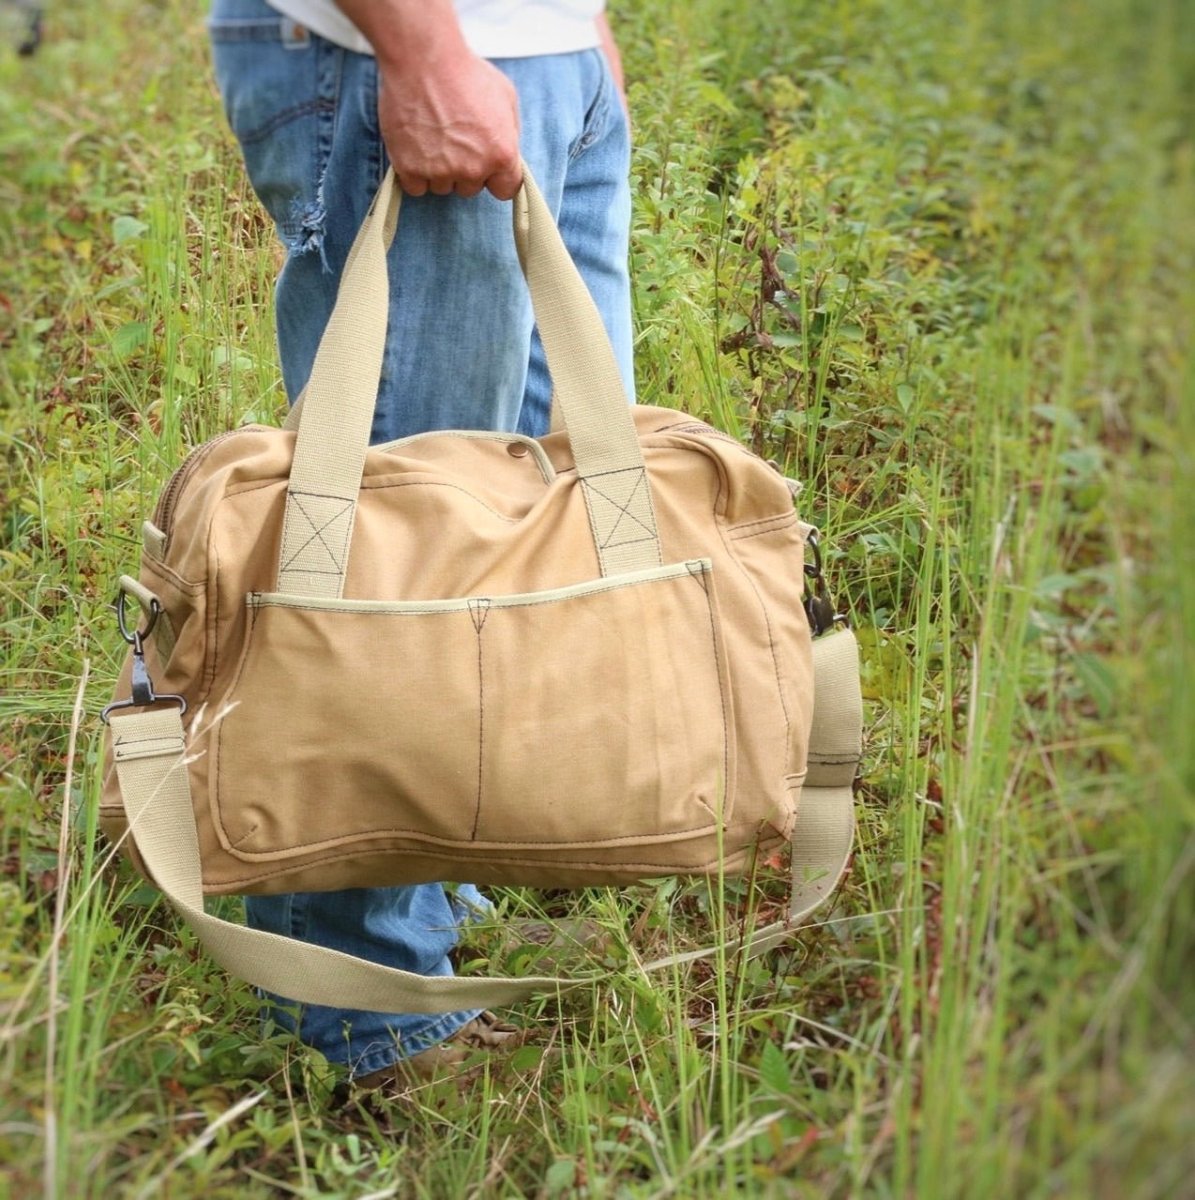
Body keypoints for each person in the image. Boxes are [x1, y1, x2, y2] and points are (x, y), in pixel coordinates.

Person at [206, 0, 635, 1084]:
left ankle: (434, 878)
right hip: (411, 49)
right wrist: (424, 47)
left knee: (534, 521)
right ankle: (361, 1004)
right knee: (406, 562)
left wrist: (580, 32)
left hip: (540, 59)